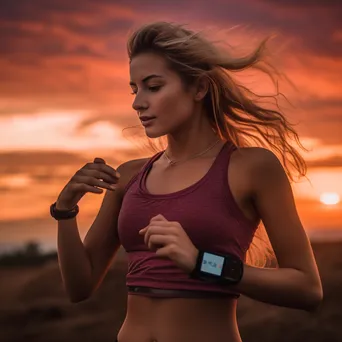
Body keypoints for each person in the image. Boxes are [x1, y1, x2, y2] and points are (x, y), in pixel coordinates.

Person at [50, 21, 323, 342]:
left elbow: (307, 289)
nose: (138, 102)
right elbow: (79, 288)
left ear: (199, 88)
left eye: (153, 87)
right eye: (134, 89)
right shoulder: (128, 176)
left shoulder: (252, 168)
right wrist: (65, 210)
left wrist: (201, 262)